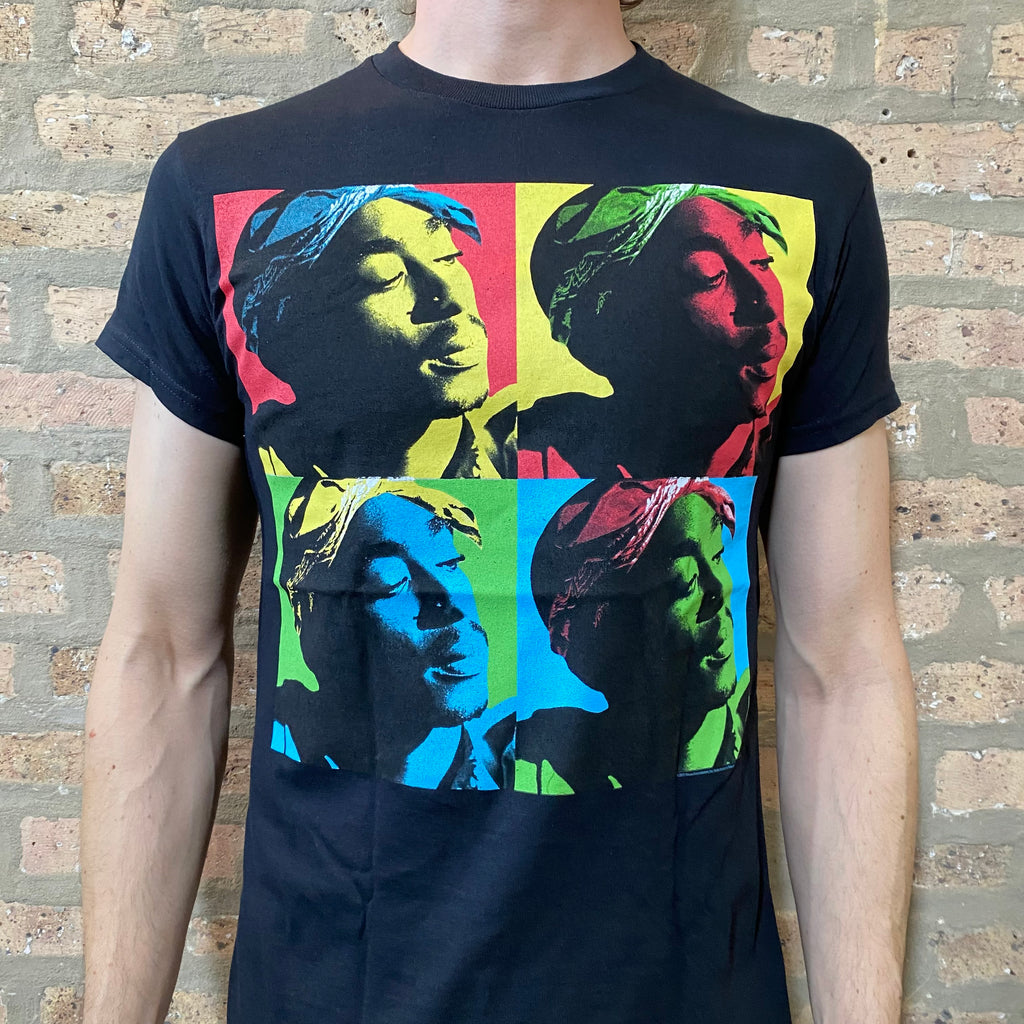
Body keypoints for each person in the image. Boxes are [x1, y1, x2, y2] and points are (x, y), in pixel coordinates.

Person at [82, 1, 918, 1022]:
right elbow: (163, 655)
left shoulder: (804, 183)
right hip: (338, 988)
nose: (449, 301)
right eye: (393, 278)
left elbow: (844, 666)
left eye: (449, 270)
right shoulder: (218, 183)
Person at [230, 186, 516, 479]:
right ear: (293, 344)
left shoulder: (526, 455)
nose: (449, 297)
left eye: (446, 256)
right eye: (385, 276)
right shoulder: (258, 466)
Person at [519, 185, 789, 478]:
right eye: (708, 275)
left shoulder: (791, 435)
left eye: (762, 262)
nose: (766, 304)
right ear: (604, 338)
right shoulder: (529, 455)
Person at [271, 476, 513, 789]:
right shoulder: (281, 743)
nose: (452, 603)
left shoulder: (522, 759)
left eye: (449, 561)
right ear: (323, 625)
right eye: (390, 580)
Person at [518, 476, 750, 792]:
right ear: (599, 638)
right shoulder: (534, 761)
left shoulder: (749, 718)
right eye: (684, 580)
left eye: (718, 555)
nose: (719, 589)